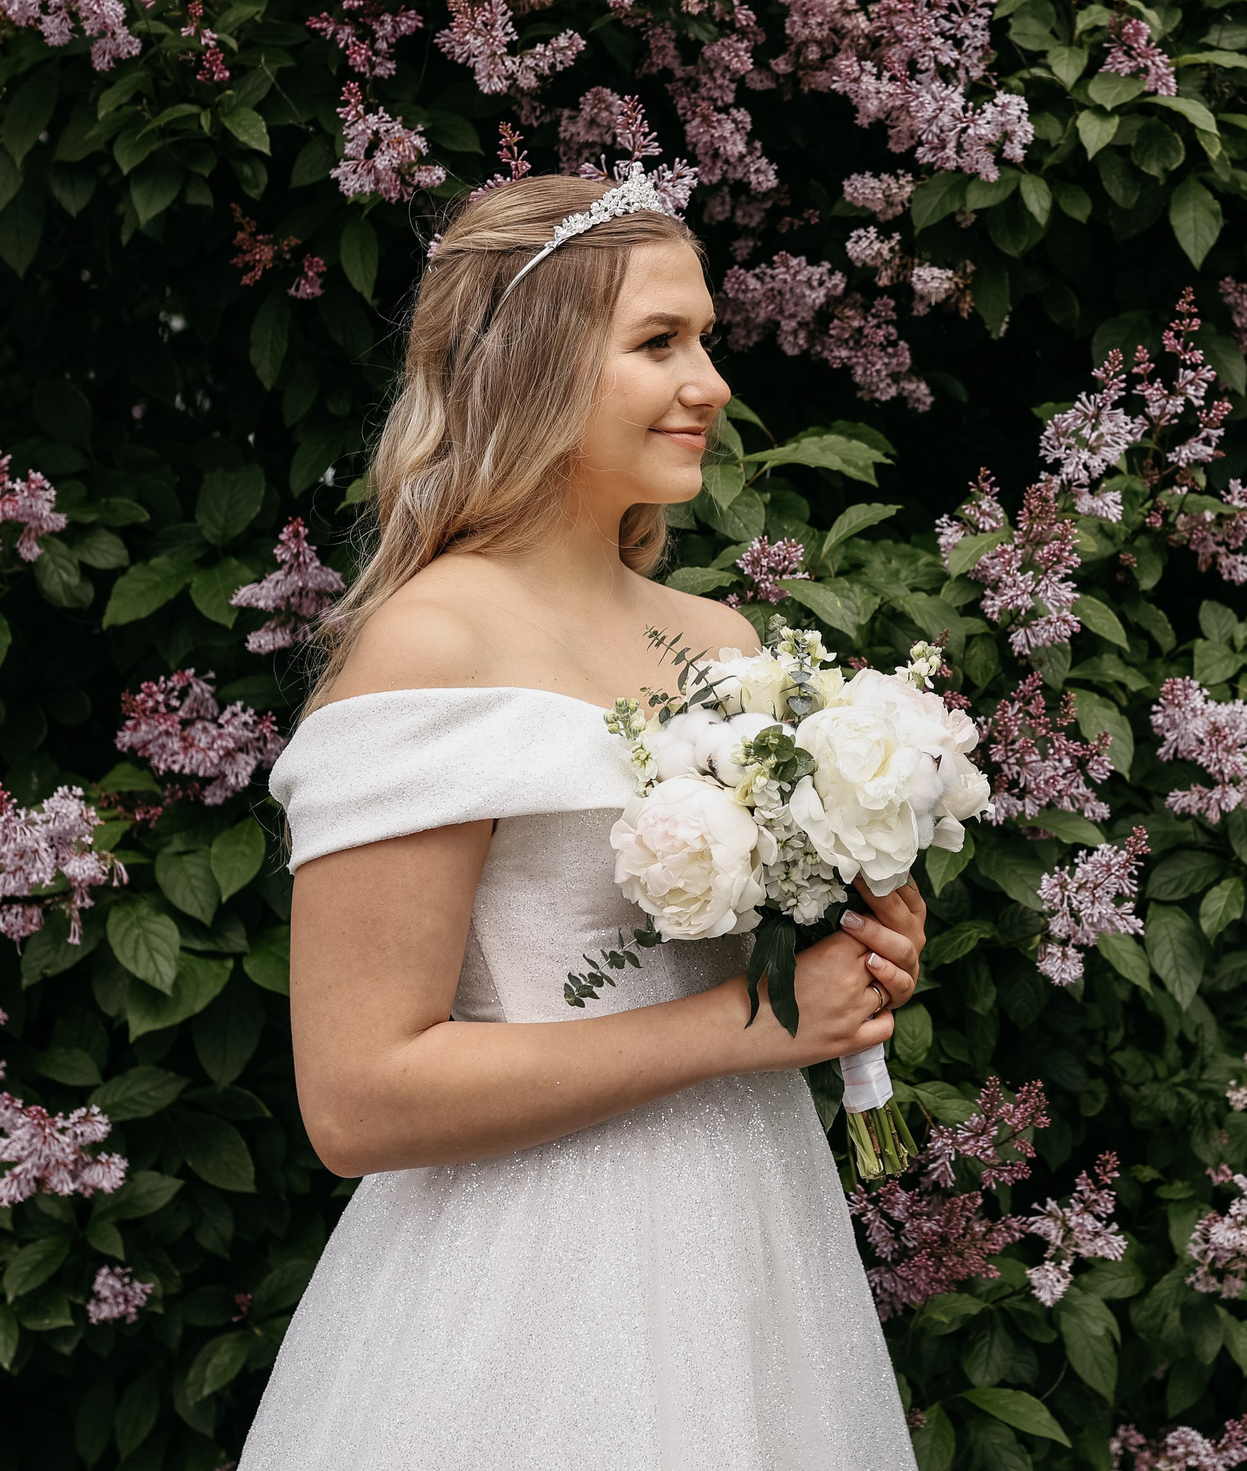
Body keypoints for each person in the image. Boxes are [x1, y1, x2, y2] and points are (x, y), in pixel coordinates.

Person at [237, 173, 921, 1471]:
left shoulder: (720, 643)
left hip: (757, 1240)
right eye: (660, 343)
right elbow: (359, 1097)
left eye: (706, 338)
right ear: (532, 364)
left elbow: (744, 968)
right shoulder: (430, 644)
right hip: (532, 1284)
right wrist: (752, 1021)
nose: (711, 380)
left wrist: (853, 942)